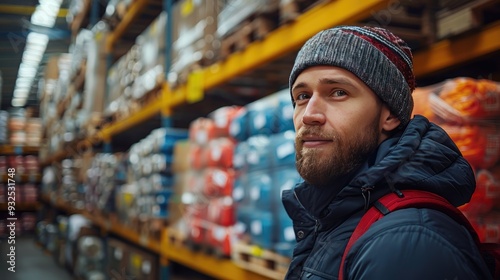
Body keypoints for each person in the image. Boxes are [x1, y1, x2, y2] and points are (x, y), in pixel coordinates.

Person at [281, 25, 493, 279]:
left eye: (338, 92)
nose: (309, 115)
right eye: (302, 96)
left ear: (390, 114)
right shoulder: (338, 216)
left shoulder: (407, 244)